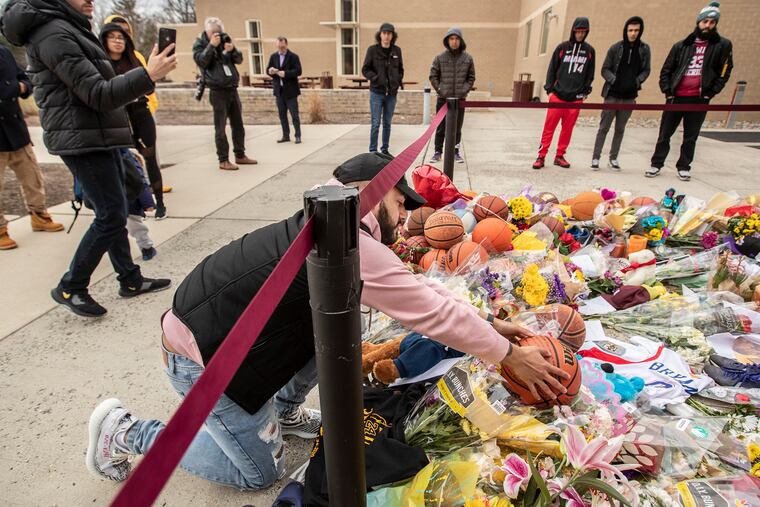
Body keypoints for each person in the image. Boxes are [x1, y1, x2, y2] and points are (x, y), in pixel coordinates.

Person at [84, 152, 569, 490]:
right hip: (204, 366)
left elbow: (423, 293)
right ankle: (127, 430)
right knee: (258, 475)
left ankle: (285, 411)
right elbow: (432, 310)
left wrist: (489, 324)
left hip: (220, 340)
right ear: (369, 193)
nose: (404, 220)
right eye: (401, 203)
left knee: (346, 329)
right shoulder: (346, 242)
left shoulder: (335, 229)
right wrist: (508, 355)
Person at [1, 0, 176, 317]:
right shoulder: (54, 33)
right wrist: (147, 75)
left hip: (97, 134)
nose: (90, 1)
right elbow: (97, 93)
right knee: (111, 214)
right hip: (81, 139)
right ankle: (72, 285)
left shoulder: (69, 27)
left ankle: (130, 279)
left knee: (117, 207)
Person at [646, 1, 732, 182]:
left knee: (690, 136)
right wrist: (668, 92)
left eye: (712, 22)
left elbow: (725, 71)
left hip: (699, 99)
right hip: (676, 97)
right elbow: (666, 69)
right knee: (665, 134)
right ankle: (656, 164)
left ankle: (684, 166)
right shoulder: (682, 45)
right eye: (705, 21)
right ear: (698, 22)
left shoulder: (722, 46)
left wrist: (711, 92)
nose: (708, 25)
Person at [100, 22, 167, 219]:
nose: (117, 41)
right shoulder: (101, 65)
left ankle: (159, 202)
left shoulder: (134, 61)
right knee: (123, 162)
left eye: (121, 37)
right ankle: (133, 204)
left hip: (140, 113)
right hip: (117, 118)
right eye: (112, 37)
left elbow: (149, 87)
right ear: (104, 40)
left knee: (150, 157)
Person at [0, 44, 64, 250]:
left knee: (33, 177)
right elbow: (10, 87)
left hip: (16, 128)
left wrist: (21, 86)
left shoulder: (4, 51)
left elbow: (25, 79)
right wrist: (15, 87)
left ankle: (39, 215)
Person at [193, 17, 257, 171]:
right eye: (214, 33)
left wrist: (232, 50)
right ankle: (223, 159)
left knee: (238, 125)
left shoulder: (225, 40)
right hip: (217, 91)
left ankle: (240, 155)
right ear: (207, 32)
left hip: (232, 89)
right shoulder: (200, 44)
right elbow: (201, 62)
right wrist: (211, 46)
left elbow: (239, 59)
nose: (218, 36)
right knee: (220, 128)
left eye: (219, 32)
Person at [533, 17, 595, 170]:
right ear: (573, 31)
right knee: (549, 128)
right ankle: (541, 156)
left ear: (586, 32)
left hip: (575, 99)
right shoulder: (562, 48)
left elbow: (590, 73)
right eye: (577, 31)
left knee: (567, 130)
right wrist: (549, 90)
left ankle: (560, 155)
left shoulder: (589, 51)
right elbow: (552, 69)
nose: (580, 34)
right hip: (558, 96)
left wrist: (585, 91)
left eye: (583, 32)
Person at [591, 16, 650, 171]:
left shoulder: (644, 50)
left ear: (640, 31)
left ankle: (613, 158)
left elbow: (646, 70)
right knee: (603, 127)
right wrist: (614, 80)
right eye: (630, 30)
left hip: (629, 97)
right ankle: (596, 157)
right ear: (626, 30)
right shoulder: (616, 48)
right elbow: (604, 69)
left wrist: (637, 82)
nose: (633, 33)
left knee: (620, 129)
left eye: (636, 30)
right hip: (612, 95)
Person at [429, 27, 475, 164]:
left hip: (460, 100)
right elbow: (433, 76)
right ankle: (438, 152)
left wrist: (463, 91)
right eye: (451, 39)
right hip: (443, 99)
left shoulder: (468, 58)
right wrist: (441, 90)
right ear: (447, 41)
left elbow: (471, 77)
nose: (454, 42)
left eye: (456, 39)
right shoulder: (440, 58)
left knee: (457, 127)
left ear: (460, 41)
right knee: (441, 127)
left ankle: (455, 152)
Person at [362, 22, 404, 155]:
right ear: (380, 35)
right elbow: (365, 69)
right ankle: (373, 151)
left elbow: (401, 69)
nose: (386, 36)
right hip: (376, 92)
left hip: (391, 93)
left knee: (387, 123)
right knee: (375, 123)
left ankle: (385, 149)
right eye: (384, 33)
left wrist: (396, 81)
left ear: (392, 36)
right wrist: (375, 78)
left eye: (389, 33)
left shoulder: (397, 51)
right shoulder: (372, 50)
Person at [267, 36, 302, 144]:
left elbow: (298, 71)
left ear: (286, 45)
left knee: (294, 115)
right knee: (282, 115)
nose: (281, 49)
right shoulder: (273, 56)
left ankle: (297, 136)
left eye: (282, 47)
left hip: (291, 91)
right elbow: (268, 70)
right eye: (279, 47)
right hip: (279, 91)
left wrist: (286, 74)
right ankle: (285, 135)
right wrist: (271, 71)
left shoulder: (293, 56)